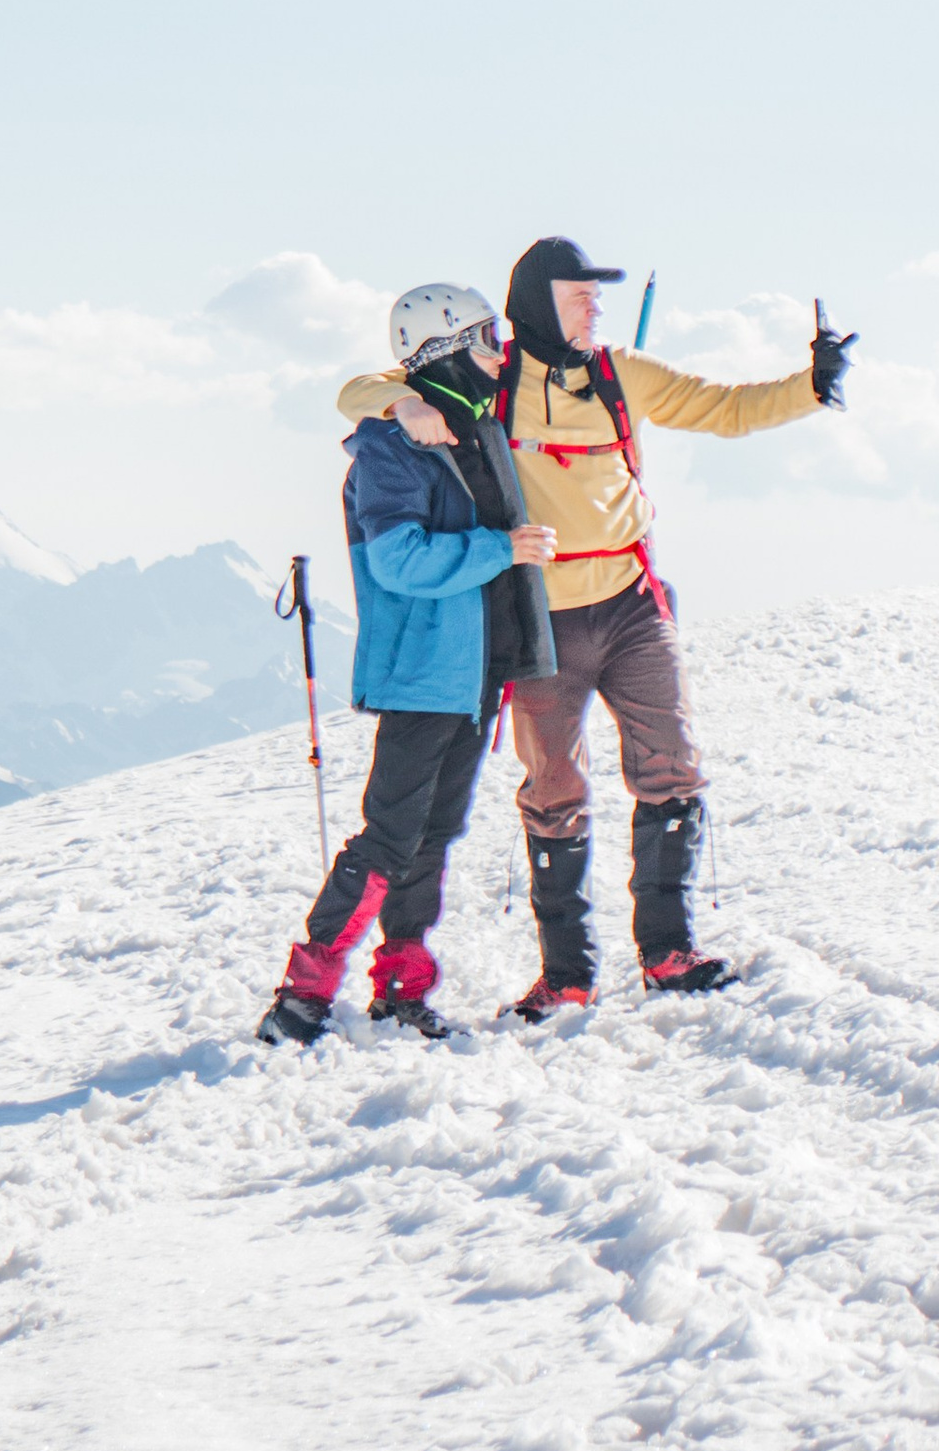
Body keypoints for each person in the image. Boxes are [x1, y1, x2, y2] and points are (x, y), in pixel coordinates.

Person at [336, 237, 855, 1014]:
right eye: (582, 293)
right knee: (554, 788)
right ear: (540, 301)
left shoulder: (622, 374)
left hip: (631, 599)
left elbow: (725, 408)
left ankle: (669, 953)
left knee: (671, 764)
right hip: (537, 615)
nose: (597, 305)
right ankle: (568, 975)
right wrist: (400, 403)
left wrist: (811, 386)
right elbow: (358, 390)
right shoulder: (491, 374)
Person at [258, 282, 556, 1048]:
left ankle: (401, 986)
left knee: (434, 834)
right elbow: (397, 561)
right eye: (486, 338)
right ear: (445, 349)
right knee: (390, 838)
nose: (500, 353)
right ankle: (304, 994)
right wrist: (502, 549)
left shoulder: (471, 428)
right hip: (425, 671)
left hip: (476, 672)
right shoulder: (392, 446)